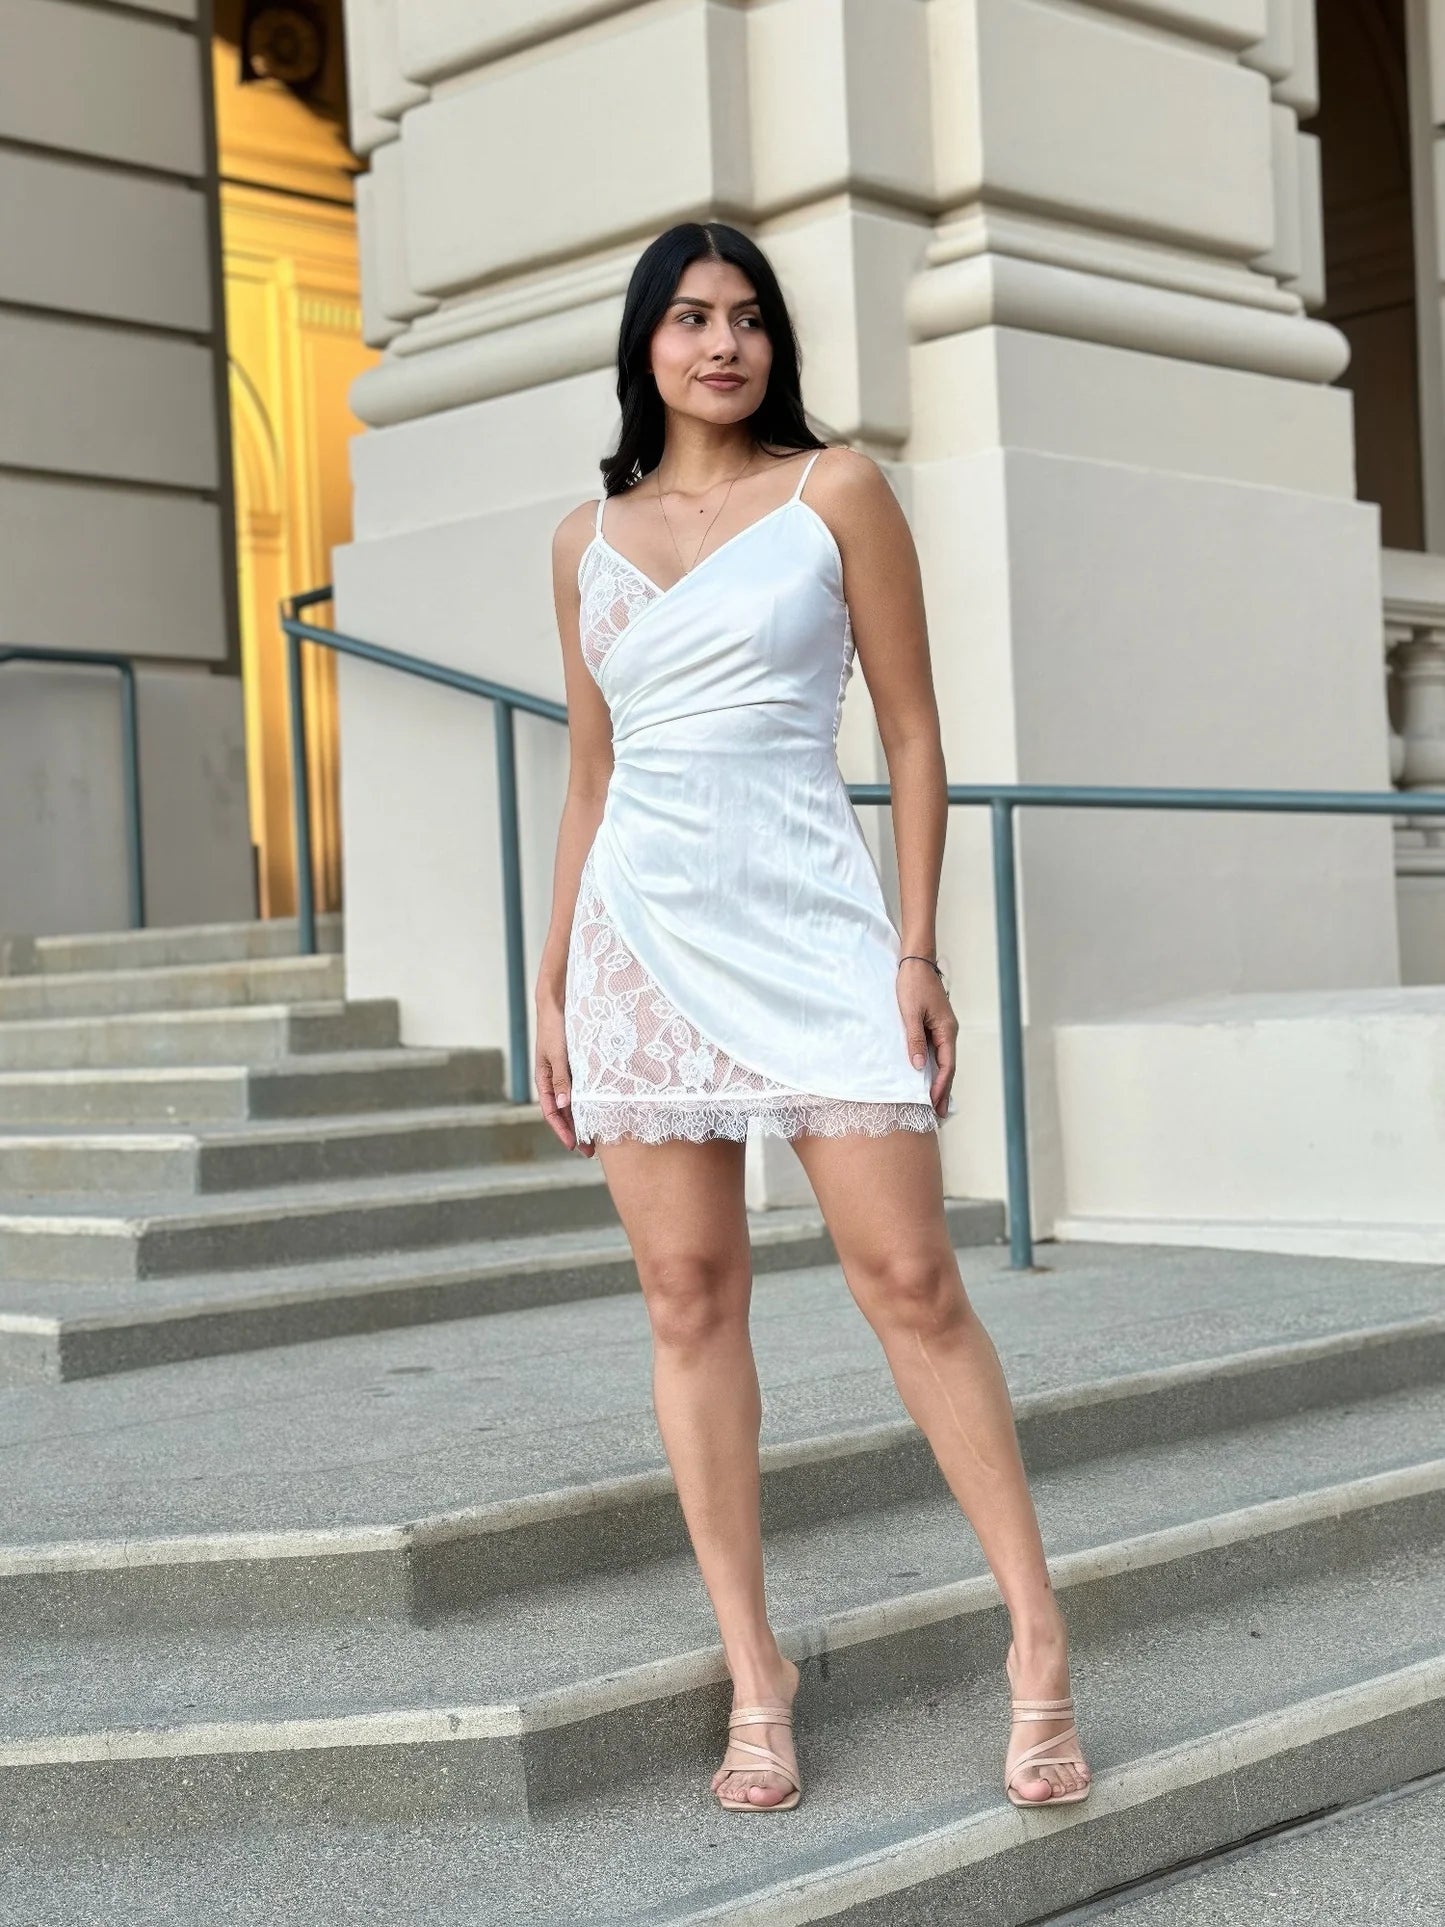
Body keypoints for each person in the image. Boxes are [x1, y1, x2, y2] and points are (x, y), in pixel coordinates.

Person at [533, 221, 1091, 1816]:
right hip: (638, 940)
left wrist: (912, 948)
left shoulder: (834, 490)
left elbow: (912, 730)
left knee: (911, 1280)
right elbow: (589, 777)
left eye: (750, 319)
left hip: (813, 925)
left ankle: (1037, 1641)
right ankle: (752, 1672)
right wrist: (557, 985)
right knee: (688, 1298)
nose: (725, 343)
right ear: (645, 345)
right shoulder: (584, 539)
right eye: (693, 318)